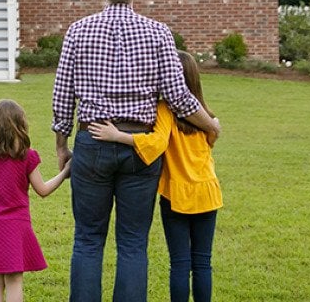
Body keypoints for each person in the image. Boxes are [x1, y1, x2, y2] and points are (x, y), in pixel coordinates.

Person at [51, 0, 221, 302]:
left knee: (87, 239)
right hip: (140, 147)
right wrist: (211, 124)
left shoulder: (78, 31)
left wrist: (62, 145)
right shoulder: (158, 34)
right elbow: (179, 97)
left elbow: (62, 94)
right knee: (132, 243)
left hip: (93, 139)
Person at [89, 51, 222, 302]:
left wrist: (118, 136)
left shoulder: (165, 109)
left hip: (177, 197)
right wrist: (215, 126)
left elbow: (157, 143)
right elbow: (213, 136)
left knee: (180, 263)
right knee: (203, 263)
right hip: (208, 194)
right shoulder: (206, 115)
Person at [0, 99, 71, 302]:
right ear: (21, 126)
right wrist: (65, 172)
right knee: (15, 281)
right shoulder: (27, 156)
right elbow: (43, 190)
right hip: (17, 227)